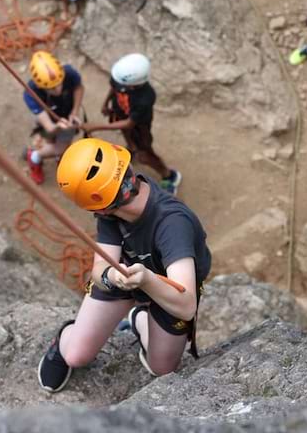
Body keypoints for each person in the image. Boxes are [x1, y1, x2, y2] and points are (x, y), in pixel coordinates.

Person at [37, 138, 211, 393]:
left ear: (100, 205)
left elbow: (186, 306)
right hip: (125, 274)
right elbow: (98, 270)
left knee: (162, 368)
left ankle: (140, 319)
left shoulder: (172, 224)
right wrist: (112, 277)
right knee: (75, 355)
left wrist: (147, 280)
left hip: (168, 290)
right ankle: (66, 337)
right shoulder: (111, 213)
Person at [82, 53, 182, 195]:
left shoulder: (146, 97)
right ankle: (131, 148)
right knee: (127, 136)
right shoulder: (120, 77)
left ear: (135, 84)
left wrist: (95, 126)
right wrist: (106, 104)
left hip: (139, 127)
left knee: (145, 154)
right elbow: (114, 88)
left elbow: (129, 124)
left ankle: (169, 175)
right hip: (121, 114)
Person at [23, 51, 84, 185]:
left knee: (58, 145)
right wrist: (57, 127)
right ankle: (34, 157)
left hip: (67, 116)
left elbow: (79, 89)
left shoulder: (69, 73)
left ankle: (57, 155)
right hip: (49, 121)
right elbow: (49, 127)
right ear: (39, 86)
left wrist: (74, 112)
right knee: (58, 145)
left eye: (59, 83)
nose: (57, 90)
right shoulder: (31, 94)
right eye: (51, 88)